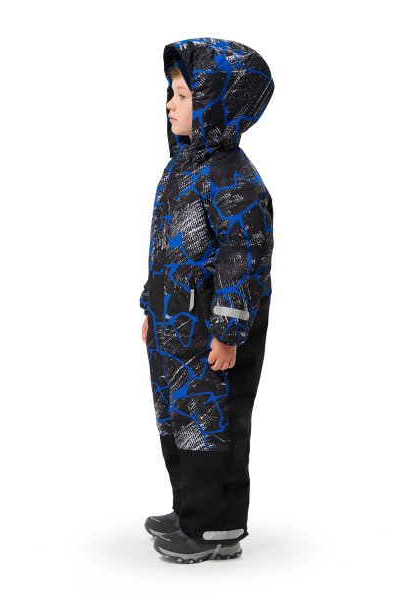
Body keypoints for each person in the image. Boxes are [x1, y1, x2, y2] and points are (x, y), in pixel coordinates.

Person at [139, 37, 275, 563]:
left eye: (183, 95)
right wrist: (151, 306)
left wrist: (229, 331)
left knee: (211, 420)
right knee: (177, 418)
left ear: (218, 102)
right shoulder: (181, 169)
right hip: (174, 323)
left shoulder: (233, 179)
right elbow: (167, 247)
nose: (169, 105)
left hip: (211, 328)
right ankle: (190, 510)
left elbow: (245, 257)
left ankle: (214, 527)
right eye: (169, 93)